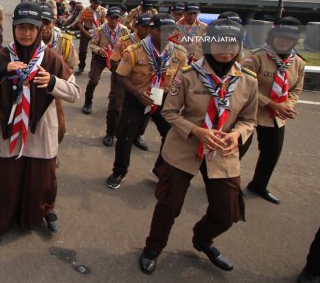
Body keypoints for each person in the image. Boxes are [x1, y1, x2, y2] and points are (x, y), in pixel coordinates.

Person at [138, 20, 257, 275]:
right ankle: (153, 247)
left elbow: (249, 119)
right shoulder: (188, 75)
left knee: (228, 211)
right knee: (169, 205)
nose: (226, 49)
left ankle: (202, 238)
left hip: (222, 151)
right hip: (185, 147)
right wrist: (197, 130)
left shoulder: (247, 81)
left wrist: (237, 135)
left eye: (232, 43)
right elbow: (169, 112)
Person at [0, 2, 80, 247]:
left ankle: (44, 211)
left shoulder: (51, 58)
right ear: (13, 28)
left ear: (40, 28)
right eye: (21, 27)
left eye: (32, 28)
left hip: (40, 130)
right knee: (7, 181)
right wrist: (1, 72)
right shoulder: (3, 55)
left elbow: (75, 93)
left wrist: (53, 82)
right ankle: (0, 222)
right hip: (11, 129)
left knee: (42, 180)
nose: (26, 33)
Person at [106, 14, 188, 189]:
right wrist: (137, 93)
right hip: (136, 98)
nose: (166, 35)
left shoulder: (179, 53)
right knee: (124, 136)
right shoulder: (134, 50)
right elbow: (121, 75)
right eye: (160, 31)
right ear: (151, 30)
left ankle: (160, 170)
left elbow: (181, 80)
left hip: (164, 98)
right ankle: (119, 171)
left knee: (172, 135)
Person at [241, 17, 305, 205]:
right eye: (280, 38)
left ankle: (259, 185)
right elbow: (246, 87)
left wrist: (288, 105)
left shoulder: (297, 62)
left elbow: (296, 89)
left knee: (272, 151)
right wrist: (272, 104)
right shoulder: (256, 57)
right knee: (239, 149)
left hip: (275, 116)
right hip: (250, 110)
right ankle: (226, 183)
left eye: (288, 40)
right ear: (272, 38)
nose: (284, 42)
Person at [103, 15, 151, 147]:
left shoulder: (154, 44)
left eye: (150, 28)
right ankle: (110, 133)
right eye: (144, 27)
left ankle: (137, 135)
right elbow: (113, 60)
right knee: (116, 105)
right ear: (137, 27)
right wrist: (130, 67)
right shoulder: (124, 41)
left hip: (145, 81)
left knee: (147, 108)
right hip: (123, 78)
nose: (147, 30)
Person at [41, 6, 79, 146]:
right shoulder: (29, 39)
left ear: (54, 22)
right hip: (32, 85)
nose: (44, 27)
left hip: (54, 86)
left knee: (59, 127)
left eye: (47, 22)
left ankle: (53, 150)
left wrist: (54, 81)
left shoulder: (65, 41)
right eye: (40, 22)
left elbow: (71, 67)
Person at [83, 7, 128, 115]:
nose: (114, 21)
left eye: (116, 18)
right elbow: (92, 44)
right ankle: (88, 101)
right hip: (101, 58)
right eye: (112, 18)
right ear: (107, 18)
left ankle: (116, 103)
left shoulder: (123, 30)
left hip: (115, 59)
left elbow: (127, 44)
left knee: (119, 82)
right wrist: (99, 50)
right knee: (93, 80)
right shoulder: (100, 29)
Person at [75, 0, 107, 74]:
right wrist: (85, 32)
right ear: (91, 2)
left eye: (98, 3)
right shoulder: (85, 10)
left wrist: (100, 33)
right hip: (86, 29)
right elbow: (79, 22)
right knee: (83, 51)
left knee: (95, 51)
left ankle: (94, 69)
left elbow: (104, 24)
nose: (97, 5)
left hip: (97, 31)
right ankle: (81, 66)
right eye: (95, 3)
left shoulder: (102, 11)